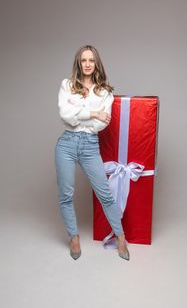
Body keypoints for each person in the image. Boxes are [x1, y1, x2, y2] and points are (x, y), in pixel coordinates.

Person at [55, 45, 130, 261]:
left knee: (105, 194)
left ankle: (121, 237)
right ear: (78, 63)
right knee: (66, 195)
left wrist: (79, 113)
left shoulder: (105, 92)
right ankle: (74, 236)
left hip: (90, 145)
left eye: (91, 60)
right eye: (83, 60)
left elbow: (100, 125)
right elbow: (64, 114)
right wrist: (93, 113)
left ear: (96, 63)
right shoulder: (67, 85)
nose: (87, 64)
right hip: (66, 145)